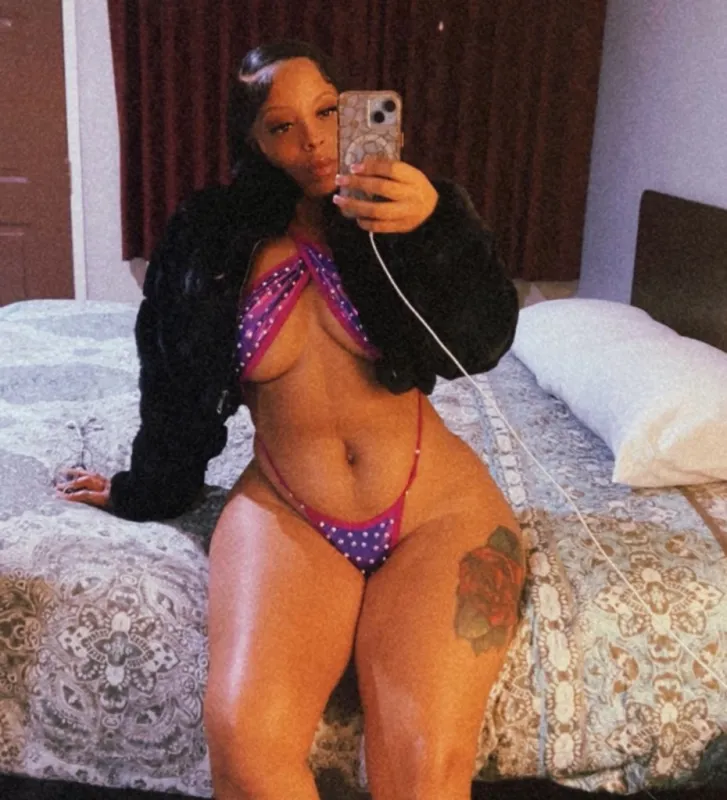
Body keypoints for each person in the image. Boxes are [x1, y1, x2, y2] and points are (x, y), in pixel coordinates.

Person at [56, 39, 525, 800]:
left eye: (327, 111)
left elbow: (481, 343)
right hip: (291, 512)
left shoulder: (408, 212)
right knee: (244, 747)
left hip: (437, 513)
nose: (311, 139)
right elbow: (171, 378)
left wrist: (435, 226)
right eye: (281, 126)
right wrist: (143, 488)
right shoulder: (209, 236)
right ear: (252, 141)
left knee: (423, 770)